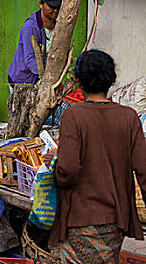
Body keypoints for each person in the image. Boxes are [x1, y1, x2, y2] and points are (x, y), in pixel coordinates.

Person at [44, 50, 146, 263]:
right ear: (111, 80)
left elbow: (69, 171)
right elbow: (144, 169)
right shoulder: (129, 117)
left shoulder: (74, 115)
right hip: (116, 220)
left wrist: (55, 165)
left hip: (80, 218)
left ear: (78, 81)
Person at [8, 0, 63, 86]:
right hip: (23, 82)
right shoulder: (31, 27)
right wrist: (47, 78)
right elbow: (30, 59)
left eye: (58, 6)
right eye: (51, 6)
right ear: (40, 4)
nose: (56, 10)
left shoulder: (59, 25)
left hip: (43, 81)